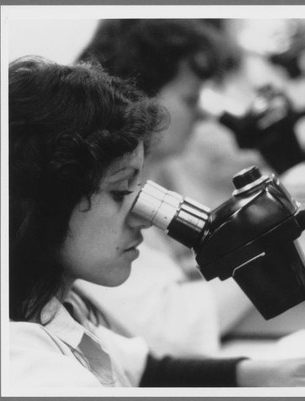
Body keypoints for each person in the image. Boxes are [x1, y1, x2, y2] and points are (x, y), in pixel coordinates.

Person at [8, 56, 305, 389]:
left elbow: (146, 372)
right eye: (120, 190)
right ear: (43, 202)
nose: (143, 218)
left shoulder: (53, 310)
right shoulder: (27, 369)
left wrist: (261, 374)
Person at [74, 19, 264, 357]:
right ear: (142, 98)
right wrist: (273, 258)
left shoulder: (156, 172)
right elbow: (173, 332)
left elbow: (179, 270)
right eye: (191, 99)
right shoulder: (92, 197)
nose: (204, 115)